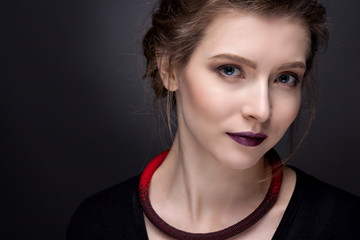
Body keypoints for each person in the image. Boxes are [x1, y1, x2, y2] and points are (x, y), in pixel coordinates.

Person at [66, 0, 360, 239]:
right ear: (168, 69)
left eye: (285, 78)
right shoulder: (97, 223)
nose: (261, 110)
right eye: (230, 70)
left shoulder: (345, 225)